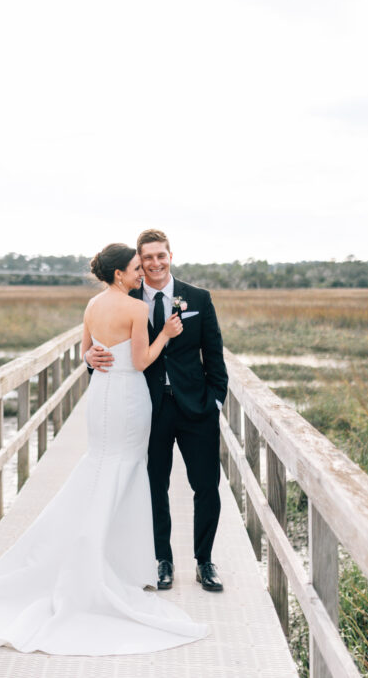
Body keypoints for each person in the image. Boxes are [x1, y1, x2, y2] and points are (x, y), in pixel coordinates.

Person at [0, 243, 208, 655]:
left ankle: (114, 559)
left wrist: (95, 355)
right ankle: (111, 564)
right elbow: (142, 360)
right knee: (125, 471)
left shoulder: (92, 305)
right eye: (134, 269)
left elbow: (86, 354)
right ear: (119, 275)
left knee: (104, 467)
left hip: (101, 395)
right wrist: (165, 334)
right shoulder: (134, 308)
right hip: (128, 396)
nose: (139, 275)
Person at [86, 229, 228, 592]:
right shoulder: (126, 298)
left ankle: (205, 561)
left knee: (206, 486)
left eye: (160, 256)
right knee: (153, 485)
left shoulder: (198, 297)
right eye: (146, 258)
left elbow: (214, 353)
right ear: (138, 261)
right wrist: (88, 356)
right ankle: (161, 560)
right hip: (147, 407)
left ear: (170, 255)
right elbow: (102, 349)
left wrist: (215, 400)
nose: (154, 263)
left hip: (197, 406)